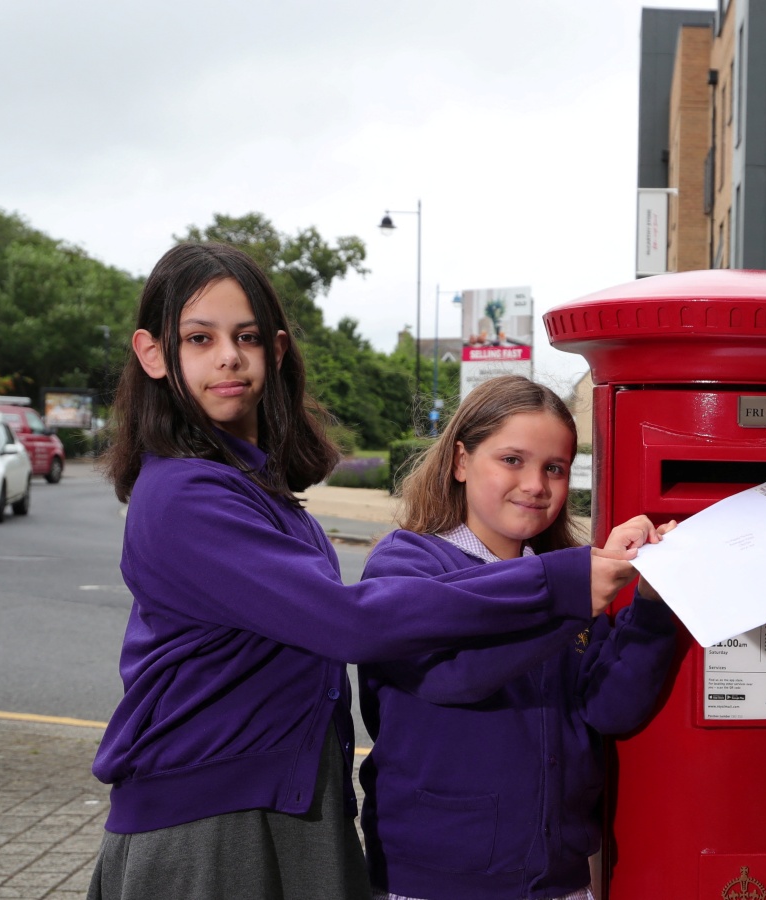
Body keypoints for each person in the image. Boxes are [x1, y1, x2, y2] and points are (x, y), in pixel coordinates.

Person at [87, 242, 654, 900]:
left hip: (276, 805)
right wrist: (560, 587)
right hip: (213, 818)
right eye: (198, 337)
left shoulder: (246, 483)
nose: (228, 357)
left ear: (274, 349)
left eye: (245, 336)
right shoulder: (187, 495)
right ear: (153, 353)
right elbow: (350, 624)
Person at [356, 375, 677, 900]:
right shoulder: (406, 564)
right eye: (512, 460)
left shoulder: (566, 580)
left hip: (557, 878)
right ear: (460, 461)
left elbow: (610, 710)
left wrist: (652, 605)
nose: (536, 484)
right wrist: (569, 596)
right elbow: (451, 675)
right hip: (437, 881)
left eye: (554, 468)